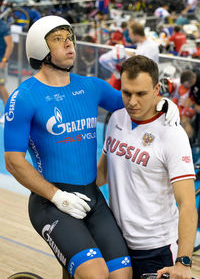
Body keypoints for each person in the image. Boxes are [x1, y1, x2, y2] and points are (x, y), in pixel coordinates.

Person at [4, 16, 179, 279]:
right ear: (40, 49)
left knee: (122, 274)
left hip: (91, 196)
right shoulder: (24, 96)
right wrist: (57, 196)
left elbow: (136, 103)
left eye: (70, 38)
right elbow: (13, 162)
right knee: (94, 274)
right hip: (49, 201)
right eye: (58, 39)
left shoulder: (91, 87)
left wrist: (162, 102)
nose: (69, 44)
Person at [97, 55, 198, 279]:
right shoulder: (116, 119)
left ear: (156, 89)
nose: (132, 102)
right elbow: (102, 174)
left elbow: (187, 204)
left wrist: (183, 261)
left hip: (156, 249)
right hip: (116, 244)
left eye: (141, 94)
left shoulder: (172, 134)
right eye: (126, 93)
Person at [0, 19, 14, 123]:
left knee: (1, 86)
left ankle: (9, 113)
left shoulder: (3, 26)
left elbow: (10, 44)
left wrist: (4, 60)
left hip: (0, 60)